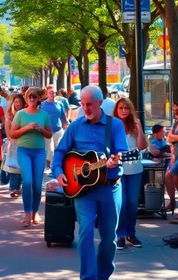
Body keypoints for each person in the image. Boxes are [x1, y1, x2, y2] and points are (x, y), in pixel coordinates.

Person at [52, 85, 128, 280]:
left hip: (109, 187)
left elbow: (122, 152)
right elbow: (60, 152)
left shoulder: (115, 125)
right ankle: (88, 277)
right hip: (82, 190)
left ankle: (103, 275)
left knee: (109, 237)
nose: (85, 108)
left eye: (90, 105)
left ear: (100, 103)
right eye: (83, 104)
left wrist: (113, 161)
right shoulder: (76, 126)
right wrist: (59, 172)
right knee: (85, 232)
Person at [9, 87, 52, 226]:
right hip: (24, 151)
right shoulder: (20, 114)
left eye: (34, 97)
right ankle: (27, 212)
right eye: (29, 97)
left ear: (38, 99)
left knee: (37, 184)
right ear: (26, 99)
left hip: (39, 152)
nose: (32, 100)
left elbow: (49, 134)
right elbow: (12, 133)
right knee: (27, 182)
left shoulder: (43, 114)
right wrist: (27, 128)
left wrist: (40, 129)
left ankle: (35, 212)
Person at [113, 97, 147, 249]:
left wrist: (139, 128)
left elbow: (141, 146)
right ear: (117, 110)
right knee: (122, 202)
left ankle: (130, 233)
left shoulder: (134, 125)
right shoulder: (112, 125)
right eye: (121, 108)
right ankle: (120, 234)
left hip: (134, 169)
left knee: (132, 203)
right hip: (118, 169)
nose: (124, 111)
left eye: (126, 108)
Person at [2, 93, 25, 198]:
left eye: (20, 102)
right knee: (13, 167)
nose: (18, 104)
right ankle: (13, 187)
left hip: (24, 143)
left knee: (21, 166)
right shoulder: (10, 114)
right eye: (16, 102)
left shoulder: (25, 113)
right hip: (13, 143)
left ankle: (18, 186)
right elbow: (7, 128)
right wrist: (11, 139)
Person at [42, 86, 69, 169]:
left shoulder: (60, 104)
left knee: (58, 149)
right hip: (47, 131)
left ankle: (55, 165)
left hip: (58, 130)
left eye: (54, 92)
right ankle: (49, 164)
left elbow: (63, 117)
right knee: (50, 149)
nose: (52, 94)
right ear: (46, 94)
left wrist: (66, 126)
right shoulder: (43, 105)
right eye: (50, 92)